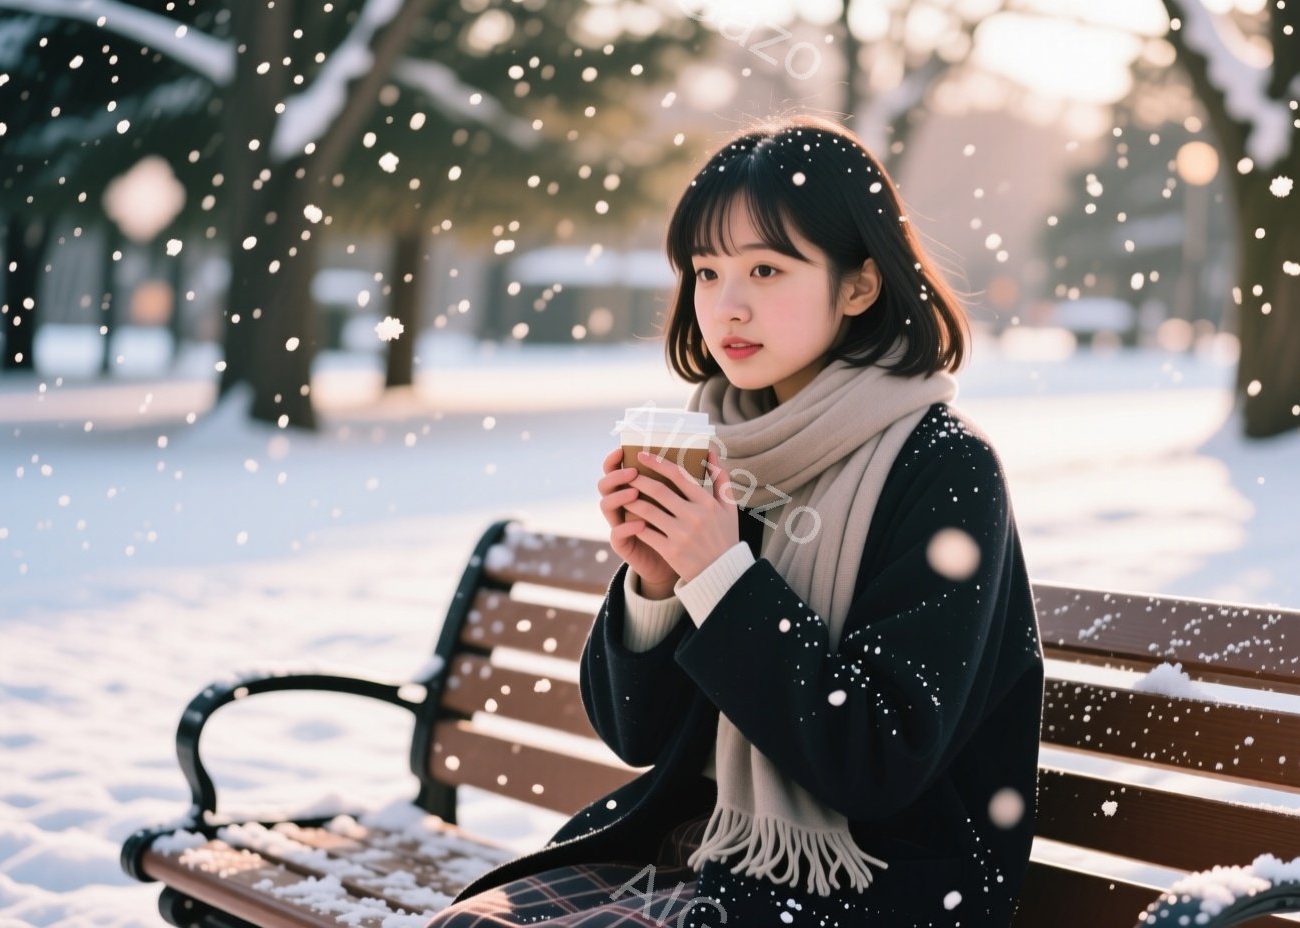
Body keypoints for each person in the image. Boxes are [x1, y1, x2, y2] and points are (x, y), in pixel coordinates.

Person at [427, 114, 1044, 927]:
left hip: (876, 886)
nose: (729, 307)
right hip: (699, 856)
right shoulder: (724, 452)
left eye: (766, 269)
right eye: (707, 273)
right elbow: (636, 736)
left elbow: (877, 760)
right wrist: (654, 580)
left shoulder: (943, 468)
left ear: (859, 285)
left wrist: (721, 575)